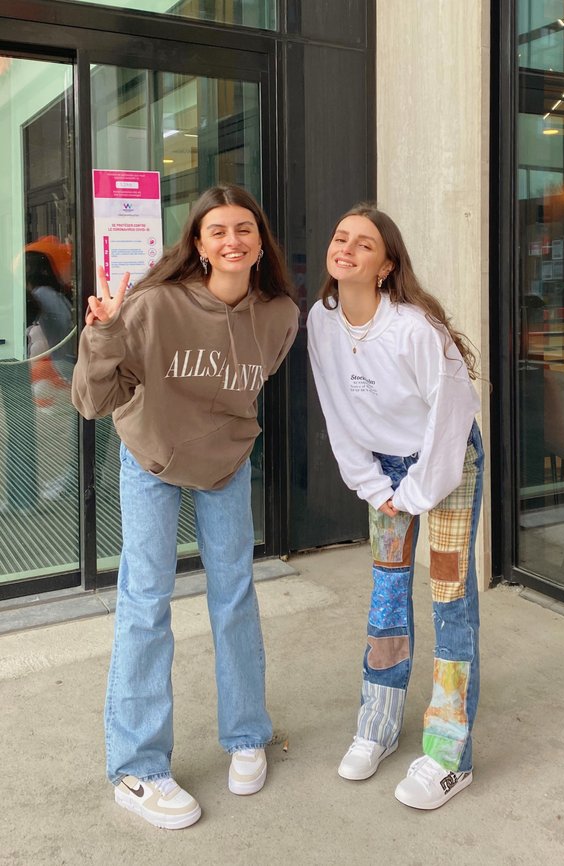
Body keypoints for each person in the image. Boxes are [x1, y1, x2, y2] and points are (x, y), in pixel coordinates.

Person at [72, 184, 298, 830]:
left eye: (244, 230)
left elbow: (253, 382)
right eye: (218, 230)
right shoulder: (154, 305)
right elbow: (92, 403)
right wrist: (105, 333)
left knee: (235, 594)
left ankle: (247, 732)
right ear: (197, 245)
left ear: (260, 244)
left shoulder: (280, 313)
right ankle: (137, 767)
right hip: (151, 458)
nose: (233, 240)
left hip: (226, 460)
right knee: (145, 601)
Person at [307, 204, 483, 811]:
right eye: (340, 237)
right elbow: (337, 410)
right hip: (383, 469)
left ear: (385, 266)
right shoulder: (321, 320)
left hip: (447, 464)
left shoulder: (413, 328)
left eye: (364, 243)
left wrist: (413, 493)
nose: (347, 248)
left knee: (449, 599)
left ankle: (447, 754)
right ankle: (378, 724)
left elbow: (451, 418)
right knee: (386, 594)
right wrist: (371, 484)